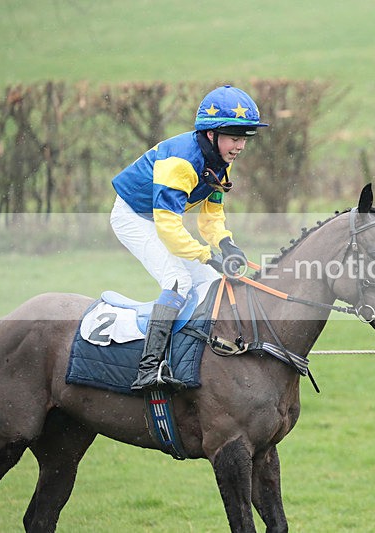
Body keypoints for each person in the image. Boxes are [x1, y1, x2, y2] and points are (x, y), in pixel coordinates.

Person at [109, 85, 268, 392]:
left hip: (161, 218)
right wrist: (206, 255)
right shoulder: (181, 163)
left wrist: (225, 243)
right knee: (178, 282)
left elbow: (210, 216)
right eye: (235, 137)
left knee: (210, 283)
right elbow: (168, 228)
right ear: (211, 134)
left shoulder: (221, 158)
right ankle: (148, 368)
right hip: (133, 217)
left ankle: (193, 357)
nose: (240, 146)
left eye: (244, 138)